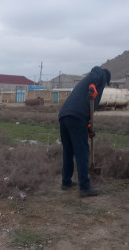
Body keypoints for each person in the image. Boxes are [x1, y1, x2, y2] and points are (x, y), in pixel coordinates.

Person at [58, 66, 111, 197]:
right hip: (76, 116)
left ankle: (66, 182)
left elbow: (85, 110)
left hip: (64, 115)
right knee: (82, 151)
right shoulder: (100, 75)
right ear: (106, 81)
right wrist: (94, 84)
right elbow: (96, 71)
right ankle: (85, 187)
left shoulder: (85, 85)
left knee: (68, 151)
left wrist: (88, 128)